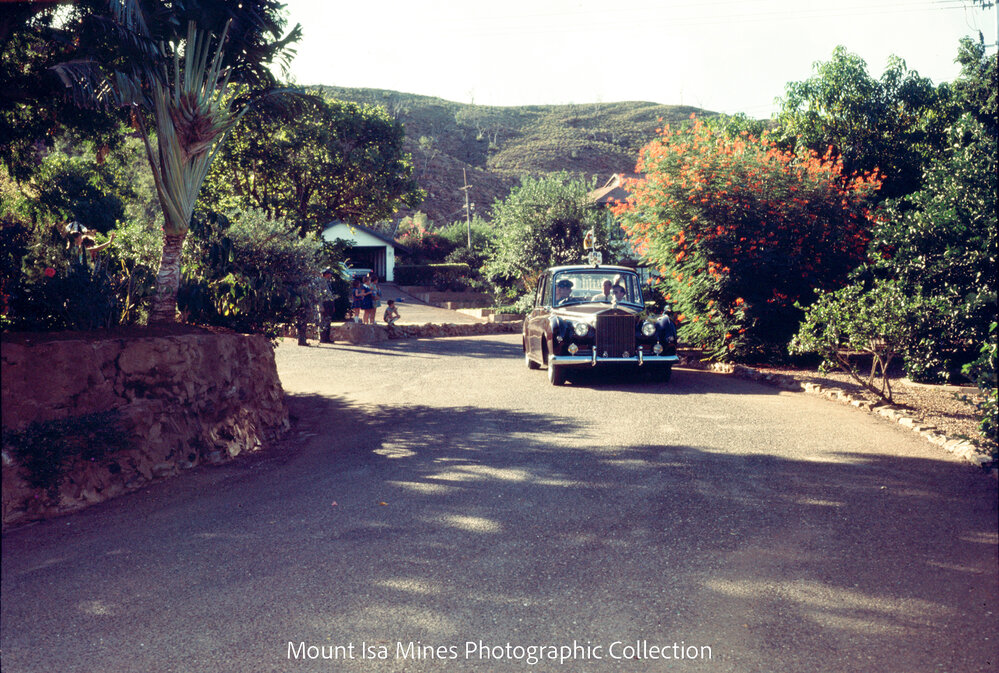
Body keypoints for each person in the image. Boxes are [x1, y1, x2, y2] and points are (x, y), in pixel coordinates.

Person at [319, 268, 338, 344]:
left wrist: (332, 305)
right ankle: (322, 338)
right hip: (324, 303)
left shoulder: (328, 282)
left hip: (329, 303)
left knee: (328, 320)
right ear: (326, 274)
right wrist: (321, 306)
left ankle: (327, 338)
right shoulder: (321, 282)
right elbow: (319, 295)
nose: (330, 275)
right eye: (329, 273)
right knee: (323, 321)